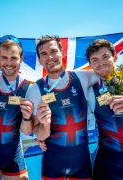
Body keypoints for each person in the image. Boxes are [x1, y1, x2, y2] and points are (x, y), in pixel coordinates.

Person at [26, 35, 99, 179]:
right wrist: (42, 130)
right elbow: (36, 132)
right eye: (44, 54)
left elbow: (108, 78)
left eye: (53, 51)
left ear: (62, 52)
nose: (50, 57)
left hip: (82, 165)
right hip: (52, 166)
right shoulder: (35, 89)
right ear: (40, 60)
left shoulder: (85, 77)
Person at [0, 35, 33, 180]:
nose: (9, 63)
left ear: (21, 59)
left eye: (14, 58)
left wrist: (27, 117)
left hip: (14, 156)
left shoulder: (28, 88)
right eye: (4, 57)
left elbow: (27, 132)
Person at [86, 39, 123, 180]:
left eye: (105, 57)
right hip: (107, 164)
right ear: (90, 65)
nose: (100, 63)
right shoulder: (89, 92)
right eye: (94, 60)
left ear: (115, 57)